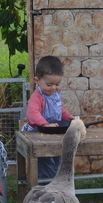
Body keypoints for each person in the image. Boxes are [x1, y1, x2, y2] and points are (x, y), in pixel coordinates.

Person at [21, 55, 75, 183]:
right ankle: (45, 185)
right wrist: (45, 124)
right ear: (37, 80)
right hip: (37, 133)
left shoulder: (55, 94)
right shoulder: (37, 97)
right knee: (45, 160)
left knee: (57, 158)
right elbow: (32, 113)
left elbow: (59, 109)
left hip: (53, 133)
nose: (53, 88)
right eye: (49, 84)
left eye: (57, 84)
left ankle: (57, 182)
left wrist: (68, 116)